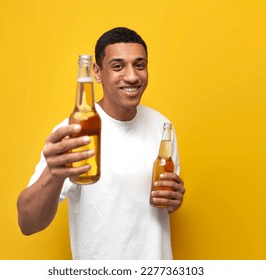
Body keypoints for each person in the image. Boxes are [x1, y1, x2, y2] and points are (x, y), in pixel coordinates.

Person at [17, 27, 185, 260]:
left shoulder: (162, 126)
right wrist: (53, 175)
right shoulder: (75, 131)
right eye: (118, 66)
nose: (133, 76)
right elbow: (28, 223)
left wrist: (174, 198)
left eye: (140, 65)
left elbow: (161, 202)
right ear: (97, 72)